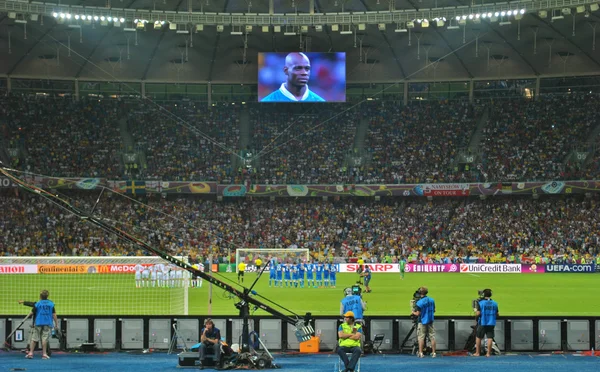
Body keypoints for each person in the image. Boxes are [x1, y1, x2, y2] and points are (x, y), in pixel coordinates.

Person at [260, 53, 326, 102]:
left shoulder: (320, 102)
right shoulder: (268, 101)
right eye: (298, 68)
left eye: (307, 68)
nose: (304, 73)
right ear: (286, 71)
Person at [26, 290, 58, 360]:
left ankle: (30, 353)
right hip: (47, 323)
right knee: (44, 339)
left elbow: (31, 312)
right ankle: (44, 354)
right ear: (47, 296)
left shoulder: (38, 303)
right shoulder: (51, 304)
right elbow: (54, 314)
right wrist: (56, 324)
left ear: (40, 296)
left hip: (38, 322)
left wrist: (26, 318)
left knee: (34, 338)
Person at [411, 286, 436, 358]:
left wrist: (413, 312)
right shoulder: (432, 300)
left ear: (420, 293)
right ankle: (434, 353)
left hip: (422, 321)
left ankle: (421, 353)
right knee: (432, 337)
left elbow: (418, 313)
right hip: (430, 321)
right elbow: (434, 310)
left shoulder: (419, 302)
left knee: (421, 337)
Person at [474, 289, 499, 357]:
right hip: (491, 322)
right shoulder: (495, 303)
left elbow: (478, 313)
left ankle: (477, 353)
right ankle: (488, 353)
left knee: (478, 337)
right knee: (490, 338)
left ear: (484, 294)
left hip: (483, 322)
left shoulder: (481, 303)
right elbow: (497, 314)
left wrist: (476, 317)